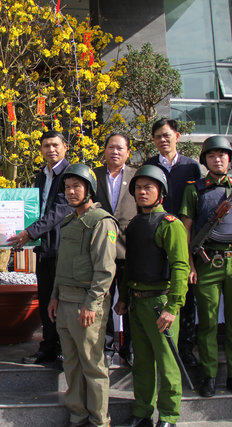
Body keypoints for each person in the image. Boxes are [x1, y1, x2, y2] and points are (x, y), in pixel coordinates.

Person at [179, 136, 232, 397]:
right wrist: (190, 265)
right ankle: (209, 376)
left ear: (230, 160)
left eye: (223, 155)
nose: (218, 159)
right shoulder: (195, 189)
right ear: (205, 161)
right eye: (212, 155)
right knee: (208, 324)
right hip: (208, 262)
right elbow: (186, 231)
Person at [114, 165, 189, 427]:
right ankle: (142, 411)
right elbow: (129, 265)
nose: (142, 192)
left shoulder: (171, 224)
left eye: (148, 187)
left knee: (167, 363)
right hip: (136, 303)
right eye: (138, 187)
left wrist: (173, 306)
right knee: (142, 362)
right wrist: (123, 297)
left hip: (160, 303)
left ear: (161, 192)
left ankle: (168, 415)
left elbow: (181, 266)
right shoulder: (134, 225)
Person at [48, 163, 118, 427]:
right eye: (67, 187)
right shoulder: (68, 221)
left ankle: (100, 421)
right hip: (65, 302)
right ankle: (78, 416)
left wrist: (92, 304)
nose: (70, 192)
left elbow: (105, 269)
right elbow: (61, 265)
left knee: (93, 366)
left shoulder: (102, 222)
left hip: (86, 305)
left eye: (76, 186)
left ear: (89, 189)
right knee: (72, 364)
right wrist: (54, 296)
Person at [9, 130, 74, 370]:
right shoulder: (41, 175)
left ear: (65, 147)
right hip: (44, 248)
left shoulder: (70, 173)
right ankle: (47, 346)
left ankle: (63, 349)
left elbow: (60, 210)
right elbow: (32, 209)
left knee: (63, 302)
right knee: (46, 299)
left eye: (55, 145)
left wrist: (29, 232)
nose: (51, 150)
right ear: (41, 150)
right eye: (46, 146)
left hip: (62, 247)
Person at [144, 118, 202, 367]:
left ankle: (186, 347)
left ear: (177, 136)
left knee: (185, 291)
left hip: (184, 237)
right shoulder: (149, 165)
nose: (162, 140)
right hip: (157, 237)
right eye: (158, 136)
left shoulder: (192, 167)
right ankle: (159, 343)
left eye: (167, 135)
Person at [94, 132, 137, 367]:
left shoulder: (136, 176)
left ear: (128, 152)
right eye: (111, 147)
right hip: (101, 250)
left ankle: (128, 348)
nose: (115, 152)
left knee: (129, 300)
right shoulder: (95, 176)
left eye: (120, 148)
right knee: (105, 301)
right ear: (105, 150)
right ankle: (107, 347)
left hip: (129, 251)